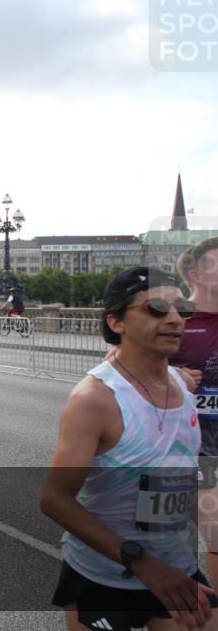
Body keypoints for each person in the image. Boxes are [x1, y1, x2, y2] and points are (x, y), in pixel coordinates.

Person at [40, 266, 215, 631]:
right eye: (156, 308)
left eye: (182, 308)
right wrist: (143, 564)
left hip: (175, 568)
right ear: (116, 322)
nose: (174, 319)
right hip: (103, 575)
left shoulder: (183, 385)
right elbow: (55, 499)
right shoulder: (94, 400)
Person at [173, 238, 218, 580]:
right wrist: (172, 375)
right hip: (187, 444)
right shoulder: (173, 320)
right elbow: (118, 369)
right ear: (196, 275)